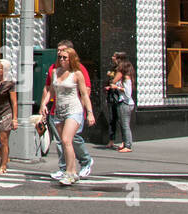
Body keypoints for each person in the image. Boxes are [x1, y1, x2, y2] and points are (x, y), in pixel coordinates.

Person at [37, 46, 95, 186]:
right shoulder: (55, 72)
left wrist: (90, 113)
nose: (61, 60)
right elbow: (51, 91)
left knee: (66, 140)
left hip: (74, 110)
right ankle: (73, 171)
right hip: (59, 111)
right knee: (64, 143)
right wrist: (44, 104)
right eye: (60, 57)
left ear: (71, 59)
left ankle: (69, 173)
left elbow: (85, 94)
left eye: (65, 57)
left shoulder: (77, 74)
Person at [107, 59, 135, 153]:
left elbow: (128, 93)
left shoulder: (127, 78)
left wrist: (117, 87)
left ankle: (128, 145)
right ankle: (125, 143)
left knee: (125, 125)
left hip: (125, 103)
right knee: (123, 124)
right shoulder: (124, 78)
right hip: (122, 103)